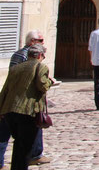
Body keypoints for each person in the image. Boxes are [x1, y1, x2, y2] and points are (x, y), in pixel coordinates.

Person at [0, 31, 49, 167]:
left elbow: (5, 89)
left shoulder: (16, 68)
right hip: (27, 110)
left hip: (10, 110)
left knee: (18, 144)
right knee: (26, 146)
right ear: (39, 55)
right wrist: (49, 82)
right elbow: (42, 86)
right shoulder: (40, 66)